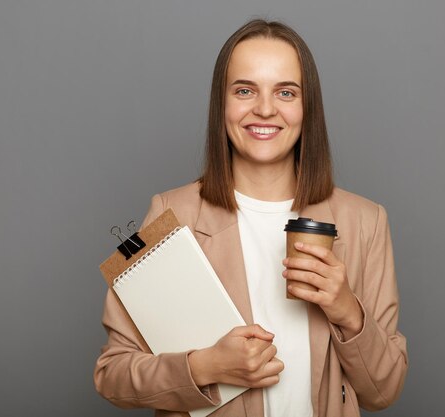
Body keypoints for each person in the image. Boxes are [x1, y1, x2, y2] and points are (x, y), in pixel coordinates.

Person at [94, 19, 407, 417]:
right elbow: (111, 373)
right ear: (221, 103)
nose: (264, 108)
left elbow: (385, 391)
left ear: (307, 107)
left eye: (286, 92)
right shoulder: (166, 214)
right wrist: (204, 367)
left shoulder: (366, 221)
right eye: (245, 90)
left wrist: (347, 309)